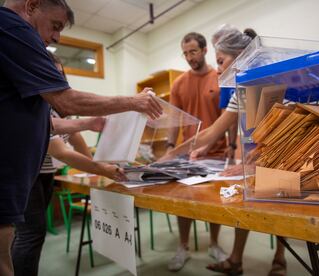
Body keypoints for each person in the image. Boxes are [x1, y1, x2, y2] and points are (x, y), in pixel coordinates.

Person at [0, 1, 161, 275]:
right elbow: (65, 106)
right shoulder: (12, 28)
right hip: (8, 172)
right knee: (15, 248)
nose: (56, 38)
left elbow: (51, 123)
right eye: (56, 26)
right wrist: (133, 102)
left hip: (20, 174)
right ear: (32, 5)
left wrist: (89, 124)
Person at [162, 27, 287, 276]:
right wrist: (170, 155)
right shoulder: (239, 89)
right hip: (258, 155)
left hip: (286, 155)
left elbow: (284, 134)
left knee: (280, 202)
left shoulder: (274, 77)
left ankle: (280, 259)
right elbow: (210, 132)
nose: (219, 70)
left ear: (242, 54)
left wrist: (254, 162)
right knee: (244, 199)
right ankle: (235, 260)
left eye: (221, 62)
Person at [11, 53, 126, 276]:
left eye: (60, 75)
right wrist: (102, 169)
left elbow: (75, 137)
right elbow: (62, 152)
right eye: (52, 74)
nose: (57, 79)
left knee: (30, 235)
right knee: (30, 235)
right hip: (25, 176)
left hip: (43, 175)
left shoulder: (56, 108)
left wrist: (97, 164)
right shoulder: (38, 106)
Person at [167, 32, 228, 272]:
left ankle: (214, 244)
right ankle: (183, 247)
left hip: (217, 152)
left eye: (193, 51)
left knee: (214, 204)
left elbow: (226, 118)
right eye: (185, 53)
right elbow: (173, 120)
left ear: (204, 50)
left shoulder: (220, 77)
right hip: (186, 155)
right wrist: (171, 148)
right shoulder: (179, 84)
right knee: (183, 203)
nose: (189, 57)